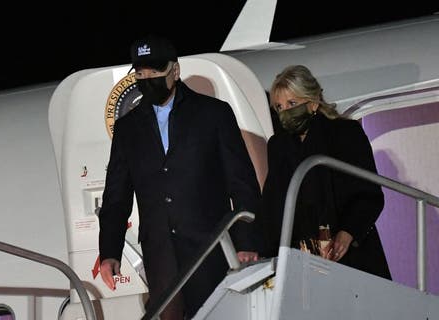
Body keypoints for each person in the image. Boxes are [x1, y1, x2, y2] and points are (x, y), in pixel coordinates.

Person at [97, 34, 263, 320]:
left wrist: (247, 240)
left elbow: (242, 180)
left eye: (155, 71)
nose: (147, 78)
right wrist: (110, 250)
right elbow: (116, 195)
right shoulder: (128, 129)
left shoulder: (214, 114)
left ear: (175, 71)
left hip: (211, 249)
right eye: (140, 72)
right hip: (161, 257)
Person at [261, 64, 391, 280]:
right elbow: (273, 203)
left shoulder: (345, 133)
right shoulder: (278, 145)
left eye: (292, 103)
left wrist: (348, 232)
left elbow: (368, 192)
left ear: (312, 103)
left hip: (348, 253)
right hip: (301, 259)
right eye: (279, 107)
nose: (285, 112)